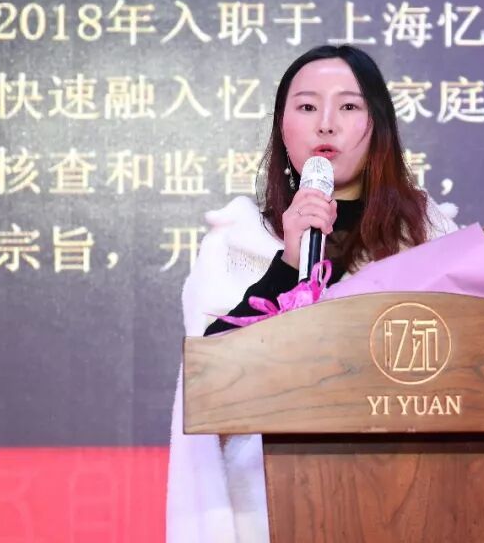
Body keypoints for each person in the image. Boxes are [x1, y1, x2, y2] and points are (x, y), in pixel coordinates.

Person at [166, 44, 458, 543]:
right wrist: (287, 264)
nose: (326, 124)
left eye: (348, 106)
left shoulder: (431, 239)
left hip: (409, 501)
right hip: (269, 511)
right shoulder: (235, 244)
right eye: (306, 106)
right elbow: (210, 384)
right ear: (282, 127)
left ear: (378, 126)